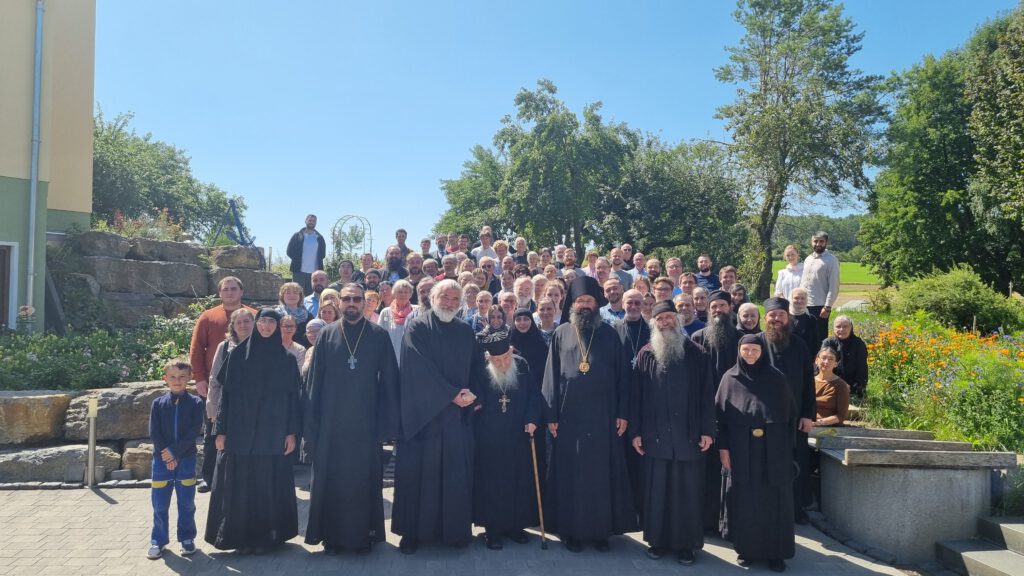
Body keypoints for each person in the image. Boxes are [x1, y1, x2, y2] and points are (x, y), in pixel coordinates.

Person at [391, 280, 490, 553]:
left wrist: (474, 395)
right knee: (418, 476)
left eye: (454, 299)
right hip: (424, 420)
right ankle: (412, 533)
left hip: (455, 420)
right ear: (433, 297)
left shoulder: (464, 331)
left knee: (454, 477)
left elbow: (475, 366)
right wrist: (450, 395)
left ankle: (455, 532)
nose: (449, 303)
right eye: (444, 297)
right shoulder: (418, 327)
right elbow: (416, 368)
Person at [304, 283, 400, 554]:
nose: (351, 304)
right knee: (331, 479)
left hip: (365, 423)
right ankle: (330, 536)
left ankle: (362, 537)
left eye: (357, 299)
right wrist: (311, 425)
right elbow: (314, 382)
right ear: (338, 304)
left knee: (362, 480)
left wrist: (387, 425)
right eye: (346, 299)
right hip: (331, 423)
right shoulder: (326, 335)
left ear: (366, 303)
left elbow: (390, 381)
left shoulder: (379, 336)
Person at [542, 276, 636, 552]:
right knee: (572, 475)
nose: (584, 306)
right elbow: (550, 377)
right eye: (580, 301)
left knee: (600, 475)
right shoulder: (561, 334)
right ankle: (571, 532)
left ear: (597, 304)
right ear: (573, 303)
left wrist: (622, 413)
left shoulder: (611, 332)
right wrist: (550, 415)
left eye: (589, 301)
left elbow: (623, 378)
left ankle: (600, 533)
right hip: (568, 417)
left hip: (604, 417)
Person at [206, 308, 301, 553]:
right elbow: (226, 397)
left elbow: (293, 400)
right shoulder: (237, 356)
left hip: (273, 433)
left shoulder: (287, 359)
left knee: (267, 484)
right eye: (263, 321)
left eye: (272, 322)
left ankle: (266, 539)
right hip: (240, 433)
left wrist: (291, 433)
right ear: (256, 323)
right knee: (240, 484)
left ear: (279, 326)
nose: (266, 326)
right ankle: (240, 538)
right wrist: (221, 431)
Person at [630, 302, 715, 565]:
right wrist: (636, 432)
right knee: (658, 492)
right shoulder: (645, 354)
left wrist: (707, 430)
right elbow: (636, 397)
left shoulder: (697, 352)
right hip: (655, 436)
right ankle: (657, 541)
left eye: (669, 317)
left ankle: (686, 546)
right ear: (654, 323)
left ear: (677, 320)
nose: (665, 322)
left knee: (687, 493)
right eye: (660, 319)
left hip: (688, 435)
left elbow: (706, 394)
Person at [716, 335, 796, 573]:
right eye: (745, 349)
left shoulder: (776, 378)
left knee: (775, 501)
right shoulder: (729, 379)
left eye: (754, 349)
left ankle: (776, 554)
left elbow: (789, 415)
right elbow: (720, 419)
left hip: (773, 451)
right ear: (739, 351)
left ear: (762, 351)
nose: (750, 354)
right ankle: (746, 550)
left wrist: (784, 448)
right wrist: (723, 449)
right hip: (741, 450)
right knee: (745, 501)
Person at [473, 329, 543, 550]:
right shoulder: (480, 370)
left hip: (519, 434)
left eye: (505, 358)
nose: (502, 363)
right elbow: (477, 396)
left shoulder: (521, 365)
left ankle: (516, 526)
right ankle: (492, 530)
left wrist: (533, 418)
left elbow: (534, 394)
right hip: (489, 437)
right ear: (488, 358)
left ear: (511, 352)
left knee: (518, 481)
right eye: (497, 360)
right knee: (492, 484)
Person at [189, 276, 255, 493]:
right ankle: (210, 477)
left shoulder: (253, 315)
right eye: (225, 289)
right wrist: (199, 378)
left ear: (241, 291)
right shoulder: (208, 317)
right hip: (215, 386)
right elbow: (197, 349)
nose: (229, 292)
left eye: (233, 288)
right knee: (213, 435)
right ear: (219, 293)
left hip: (249, 392)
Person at [759, 297, 815, 525]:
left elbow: (808, 383)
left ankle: (795, 509)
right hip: (764, 421)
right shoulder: (757, 343)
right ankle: (768, 508)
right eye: (772, 315)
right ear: (766, 318)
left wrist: (808, 414)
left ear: (788, 318)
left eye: (780, 315)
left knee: (796, 463)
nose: (776, 319)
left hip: (795, 418)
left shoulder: (799, 345)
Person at [689, 290, 739, 533]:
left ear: (730, 307)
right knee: (707, 469)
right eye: (714, 306)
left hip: (735, 413)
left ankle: (730, 522)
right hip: (705, 411)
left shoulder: (742, 340)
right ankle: (707, 521)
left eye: (722, 305)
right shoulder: (698, 338)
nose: (718, 310)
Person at [147, 358, 204, 560]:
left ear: (190, 378)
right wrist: (166, 453)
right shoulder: (158, 404)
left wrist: (175, 453)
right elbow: (154, 432)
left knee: (186, 503)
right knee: (160, 504)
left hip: (186, 460)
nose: (177, 381)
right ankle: (158, 540)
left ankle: (187, 538)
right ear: (165, 379)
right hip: (161, 461)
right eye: (173, 377)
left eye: (182, 377)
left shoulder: (197, 403)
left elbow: (193, 432)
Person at [207, 309, 256, 446]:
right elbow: (214, 379)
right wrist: (213, 407)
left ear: (254, 323)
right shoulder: (224, 347)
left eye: (247, 321)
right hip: (228, 405)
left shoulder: (262, 346)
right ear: (233, 326)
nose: (243, 325)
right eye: (238, 322)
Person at [799, 231, 840, 339]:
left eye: (821, 241)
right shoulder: (808, 259)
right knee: (805, 336)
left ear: (826, 242)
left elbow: (834, 285)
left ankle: (821, 356)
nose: (818, 244)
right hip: (803, 304)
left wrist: (827, 307)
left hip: (820, 306)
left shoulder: (832, 260)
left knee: (819, 337)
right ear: (811, 242)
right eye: (815, 241)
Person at [822, 315, 868, 397]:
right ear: (834, 328)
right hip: (831, 383)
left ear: (851, 328)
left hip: (852, 385)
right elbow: (823, 367)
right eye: (838, 326)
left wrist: (857, 386)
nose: (841, 330)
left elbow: (862, 368)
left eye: (845, 326)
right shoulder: (828, 343)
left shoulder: (858, 344)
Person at [287, 214, 326, 293]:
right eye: (310, 220)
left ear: (316, 223)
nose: (311, 222)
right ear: (306, 221)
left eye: (314, 221)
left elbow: (322, 254)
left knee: (311, 296)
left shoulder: (319, 238)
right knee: (297, 293)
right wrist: (297, 260)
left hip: (314, 273)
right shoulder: (297, 236)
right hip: (299, 272)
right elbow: (289, 251)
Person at [377, 279, 414, 363]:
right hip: (390, 358)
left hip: (411, 359)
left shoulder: (416, 311)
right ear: (394, 294)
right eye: (400, 292)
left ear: (411, 294)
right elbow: (379, 336)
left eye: (406, 292)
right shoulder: (385, 312)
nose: (403, 294)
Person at [814, 345, 850, 427]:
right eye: (823, 358)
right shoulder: (808, 382)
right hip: (807, 424)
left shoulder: (841, 385)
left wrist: (818, 423)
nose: (826, 362)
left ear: (835, 364)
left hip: (830, 428)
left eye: (831, 359)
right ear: (816, 360)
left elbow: (841, 416)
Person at [276, 282, 311, 347]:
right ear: (282, 296)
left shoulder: (308, 315)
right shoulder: (276, 315)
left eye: (295, 293)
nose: (292, 295)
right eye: (288, 293)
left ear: (300, 296)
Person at [788, 288, 820, 359]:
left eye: (803, 298)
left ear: (806, 300)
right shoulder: (784, 317)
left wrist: (815, 360)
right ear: (791, 299)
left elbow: (816, 342)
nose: (799, 301)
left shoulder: (811, 319)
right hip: (787, 358)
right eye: (796, 298)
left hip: (806, 358)